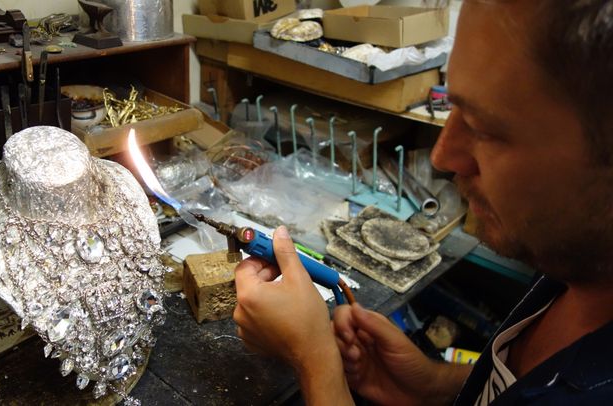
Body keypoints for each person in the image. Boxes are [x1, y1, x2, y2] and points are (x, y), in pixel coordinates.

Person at [232, 0, 613, 404]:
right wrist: (432, 386)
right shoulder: (578, 261)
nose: (442, 157)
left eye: (485, 128)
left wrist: (313, 361)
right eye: (453, 107)